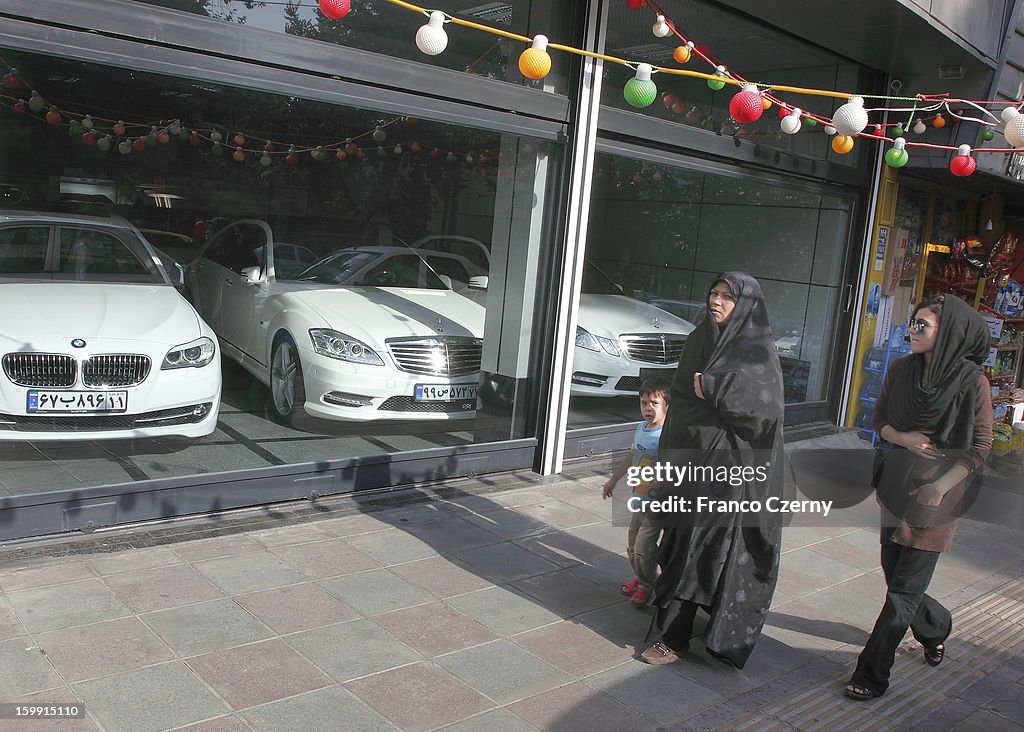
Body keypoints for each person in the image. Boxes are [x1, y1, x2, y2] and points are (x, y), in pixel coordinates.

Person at [845, 294, 991, 700]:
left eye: (921, 325)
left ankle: (872, 675)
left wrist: (939, 488)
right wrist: (903, 437)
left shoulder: (972, 382)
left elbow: (979, 448)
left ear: (948, 335)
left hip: (937, 498)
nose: (912, 330)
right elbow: (879, 421)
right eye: (912, 323)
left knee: (901, 595)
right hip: (896, 486)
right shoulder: (901, 370)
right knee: (898, 580)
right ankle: (936, 626)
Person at [638, 272, 785, 669]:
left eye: (727, 297)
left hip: (733, 473)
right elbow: (683, 401)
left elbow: (765, 415)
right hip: (691, 465)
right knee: (684, 543)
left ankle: (674, 637)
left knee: (707, 550)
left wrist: (718, 391)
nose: (716, 302)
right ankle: (682, 622)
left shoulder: (756, 351)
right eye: (713, 293)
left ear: (747, 306)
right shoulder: (698, 340)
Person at [602, 377, 672, 607]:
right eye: (643, 403)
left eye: (654, 403)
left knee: (644, 548)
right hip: (639, 499)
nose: (647, 408)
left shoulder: (667, 435)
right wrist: (613, 480)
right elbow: (632, 455)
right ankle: (643, 577)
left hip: (657, 504)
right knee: (632, 546)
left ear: (667, 405)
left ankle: (646, 586)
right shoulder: (641, 428)